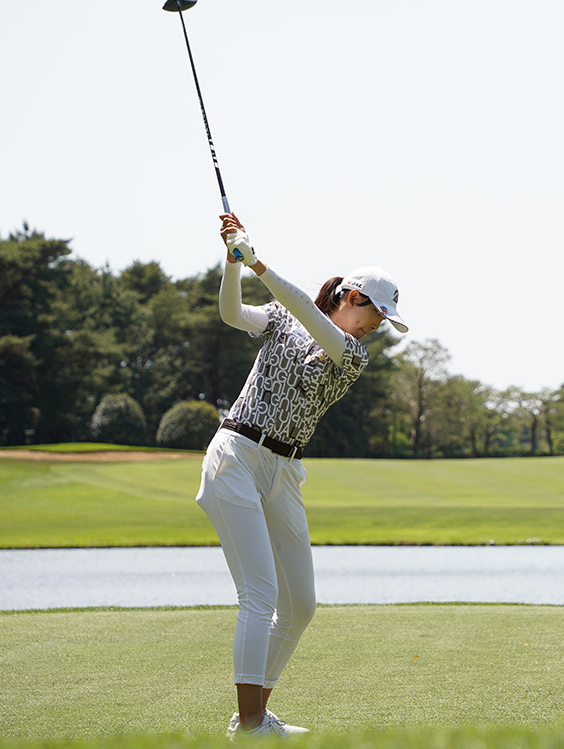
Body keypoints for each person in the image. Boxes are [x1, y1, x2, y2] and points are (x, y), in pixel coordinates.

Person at [197, 212, 407, 740]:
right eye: (377, 315)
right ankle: (248, 726)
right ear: (353, 297)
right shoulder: (281, 315)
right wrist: (233, 264)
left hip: (284, 470)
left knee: (301, 605)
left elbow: (306, 314)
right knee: (260, 594)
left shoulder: (351, 353)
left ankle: (255, 715)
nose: (378, 327)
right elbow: (229, 313)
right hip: (237, 455)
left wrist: (257, 261)